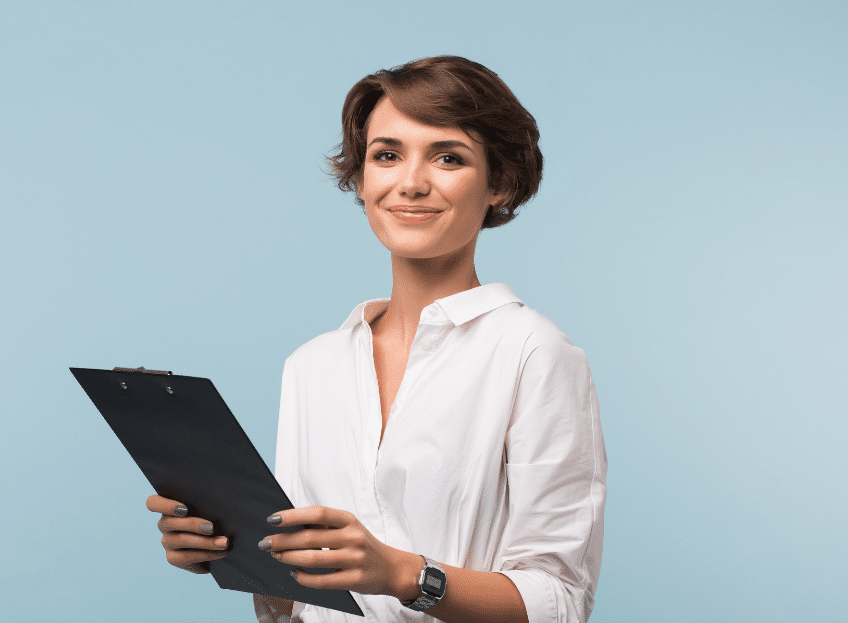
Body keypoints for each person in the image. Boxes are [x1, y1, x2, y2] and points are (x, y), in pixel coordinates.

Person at [145, 55, 607, 623]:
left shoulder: (533, 354)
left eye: (448, 157)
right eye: (386, 155)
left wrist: (404, 575)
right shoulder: (312, 366)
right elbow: (291, 603)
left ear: (500, 183)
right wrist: (228, 552)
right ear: (362, 179)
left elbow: (561, 602)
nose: (410, 184)